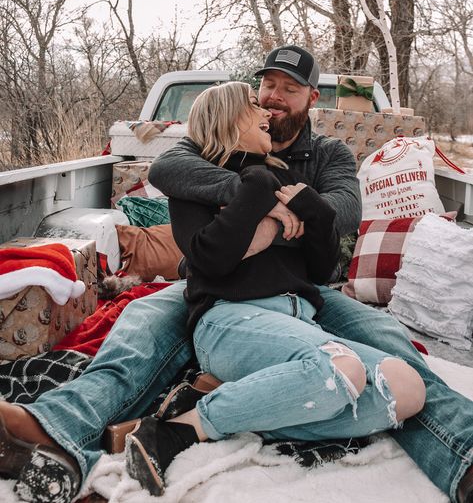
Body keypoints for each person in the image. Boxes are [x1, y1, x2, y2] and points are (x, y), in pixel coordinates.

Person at [0, 44, 470, 503]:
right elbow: (168, 168)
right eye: (267, 85)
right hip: (216, 283)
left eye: (290, 88)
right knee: (140, 325)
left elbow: (343, 212)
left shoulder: (330, 154)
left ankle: (462, 454)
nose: (274, 97)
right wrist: (260, 198)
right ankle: (55, 429)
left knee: (385, 335)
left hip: (309, 289)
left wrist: (269, 214)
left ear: (312, 99)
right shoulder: (211, 145)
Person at [124, 80, 426, 497]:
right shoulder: (199, 181)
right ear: (228, 115)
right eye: (255, 103)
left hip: (299, 318)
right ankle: (180, 429)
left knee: (406, 387)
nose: (268, 112)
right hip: (230, 320)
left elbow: (319, 272)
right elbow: (210, 259)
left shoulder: (284, 176)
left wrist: (314, 213)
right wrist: (259, 192)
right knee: (343, 369)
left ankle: (245, 408)